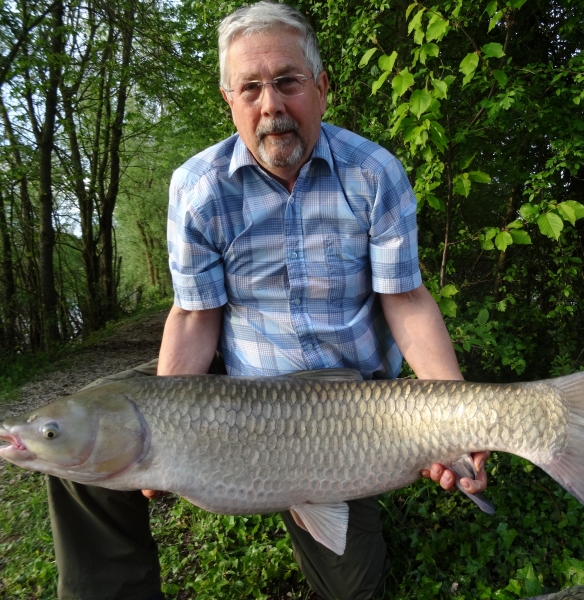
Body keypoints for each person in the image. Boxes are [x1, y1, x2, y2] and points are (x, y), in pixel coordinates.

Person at [45, 3, 489, 599]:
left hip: (348, 403)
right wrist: (162, 441)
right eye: (250, 87)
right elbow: (196, 314)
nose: (271, 105)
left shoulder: (374, 174)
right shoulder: (198, 189)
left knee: (354, 586)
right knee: (83, 443)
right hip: (241, 389)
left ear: (321, 88)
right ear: (229, 99)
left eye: (287, 82)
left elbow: (406, 301)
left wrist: (456, 413)